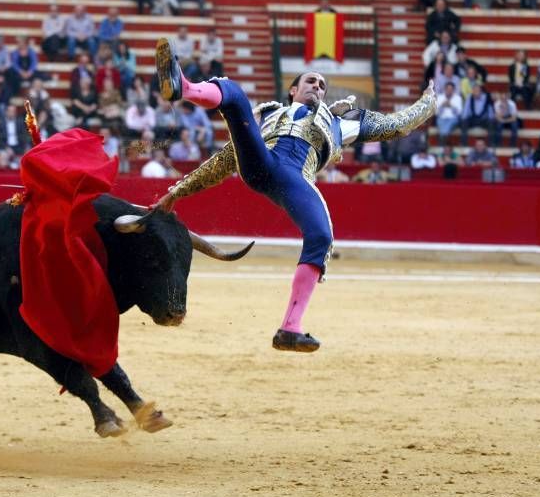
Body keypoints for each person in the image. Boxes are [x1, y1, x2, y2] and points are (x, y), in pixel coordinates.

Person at [152, 38, 435, 352]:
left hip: (295, 179)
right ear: (293, 91)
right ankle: (184, 87)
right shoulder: (270, 114)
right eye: (311, 81)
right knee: (232, 92)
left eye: (322, 84)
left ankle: (290, 328)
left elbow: (395, 125)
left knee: (321, 235)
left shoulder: (341, 124)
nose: (317, 86)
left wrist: (427, 104)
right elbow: (225, 159)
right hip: (262, 163)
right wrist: (178, 190)